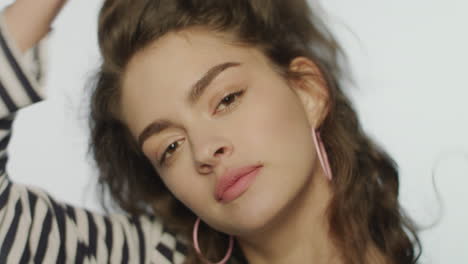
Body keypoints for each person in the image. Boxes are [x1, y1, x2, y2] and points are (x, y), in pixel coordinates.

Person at [0, 1, 422, 264]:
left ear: (308, 92)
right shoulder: (151, 256)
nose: (204, 150)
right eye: (170, 147)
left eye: (226, 99)